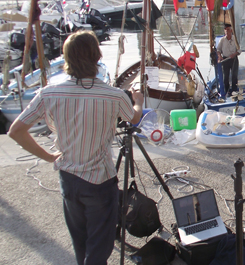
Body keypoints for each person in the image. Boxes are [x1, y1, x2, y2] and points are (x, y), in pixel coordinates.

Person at [8, 30, 144, 265]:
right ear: (96, 56)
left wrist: (49, 156)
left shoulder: (49, 93)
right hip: (100, 181)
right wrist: (138, 102)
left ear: (67, 58)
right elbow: (133, 119)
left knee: (80, 243)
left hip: (69, 179)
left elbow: (16, 131)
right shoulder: (114, 95)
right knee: (99, 247)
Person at [217, 24, 240, 95]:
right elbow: (218, 49)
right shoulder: (222, 40)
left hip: (234, 59)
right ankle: (226, 91)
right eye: (225, 30)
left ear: (231, 31)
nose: (227, 32)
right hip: (225, 59)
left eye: (228, 30)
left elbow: (239, 50)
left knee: (234, 76)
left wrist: (234, 54)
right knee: (225, 77)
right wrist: (219, 56)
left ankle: (234, 91)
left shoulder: (235, 39)